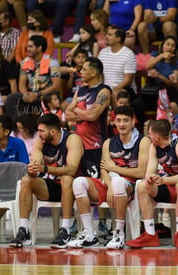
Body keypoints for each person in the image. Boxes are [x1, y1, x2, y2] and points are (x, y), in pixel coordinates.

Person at [67, 106, 151, 249]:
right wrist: (110, 185)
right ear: (114, 122)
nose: (122, 124)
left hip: (131, 187)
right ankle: (88, 234)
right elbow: (103, 169)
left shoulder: (143, 141)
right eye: (118, 120)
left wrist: (115, 169)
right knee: (78, 182)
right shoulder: (108, 143)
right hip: (111, 184)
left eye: (126, 120)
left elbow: (141, 172)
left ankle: (118, 234)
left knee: (118, 182)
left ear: (133, 122)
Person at [9, 113, 84, 248]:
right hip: (51, 186)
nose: (39, 134)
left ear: (53, 131)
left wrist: (43, 168)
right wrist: (33, 169)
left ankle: (65, 229)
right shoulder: (41, 139)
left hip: (73, 188)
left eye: (42, 131)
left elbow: (72, 169)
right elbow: (36, 160)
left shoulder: (72, 139)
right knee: (26, 180)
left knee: (66, 179)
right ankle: (24, 229)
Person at [126, 119, 178, 249]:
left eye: (150, 134)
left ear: (157, 136)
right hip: (170, 186)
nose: (149, 137)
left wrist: (164, 180)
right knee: (143, 185)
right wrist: (150, 178)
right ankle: (150, 234)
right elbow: (149, 172)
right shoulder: (154, 147)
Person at [65, 57, 111, 236]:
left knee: (97, 184)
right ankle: (79, 222)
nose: (80, 72)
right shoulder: (81, 89)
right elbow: (67, 113)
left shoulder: (104, 91)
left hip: (97, 145)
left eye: (84, 69)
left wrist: (78, 111)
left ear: (94, 72)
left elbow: (93, 116)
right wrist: (81, 113)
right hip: (78, 145)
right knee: (78, 183)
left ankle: (102, 223)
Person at [7, 35, 61, 120]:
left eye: (30, 46)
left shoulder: (52, 62)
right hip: (31, 94)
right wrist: (26, 95)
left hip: (46, 95)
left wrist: (37, 94)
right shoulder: (25, 62)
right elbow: (22, 85)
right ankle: (14, 128)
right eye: (27, 46)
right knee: (12, 97)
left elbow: (56, 86)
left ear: (39, 48)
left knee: (48, 98)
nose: (27, 49)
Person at [98, 26, 137, 102]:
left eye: (110, 35)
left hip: (124, 90)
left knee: (115, 94)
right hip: (106, 90)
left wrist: (113, 90)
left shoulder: (128, 54)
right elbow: (99, 74)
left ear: (118, 39)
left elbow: (128, 80)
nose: (106, 37)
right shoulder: (103, 52)